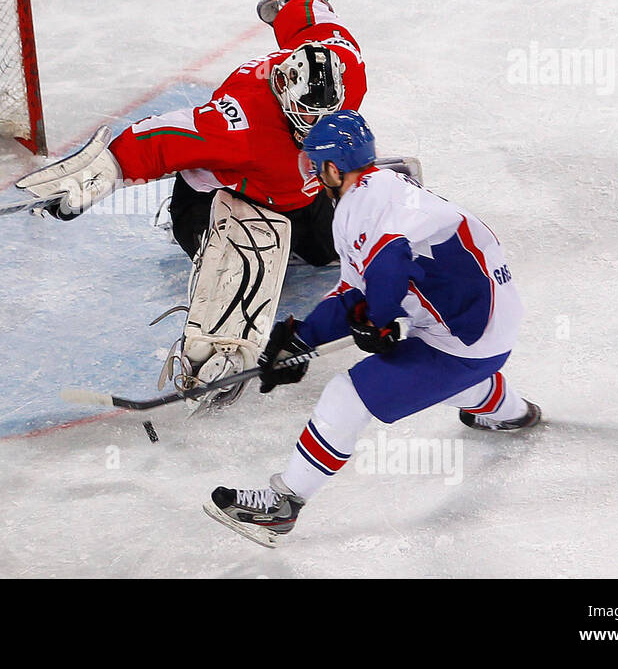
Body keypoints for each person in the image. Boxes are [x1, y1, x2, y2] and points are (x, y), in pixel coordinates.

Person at [14, 0, 368, 408]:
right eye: (307, 118)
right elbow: (158, 139)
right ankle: (215, 354)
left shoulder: (344, 65)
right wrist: (99, 175)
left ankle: (359, 191)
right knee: (244, 254)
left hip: (296, 194)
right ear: (285, 92)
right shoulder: (238, 122)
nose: (316, 128)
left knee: (332, 249)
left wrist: (291, 2)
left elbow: (314, 20)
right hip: (220, 199)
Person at [204, 111, 540, 548]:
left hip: (466, 338)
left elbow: (387, 266)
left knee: (347, 395)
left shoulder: (366, 205)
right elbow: (353, 289)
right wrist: (302, 338)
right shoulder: (379, 190)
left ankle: (283, 505)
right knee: (430, 373)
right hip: (486, 323)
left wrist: (376, 318)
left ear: (331, 167)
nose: (311, 174)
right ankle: (506, 408)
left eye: (313, 164)